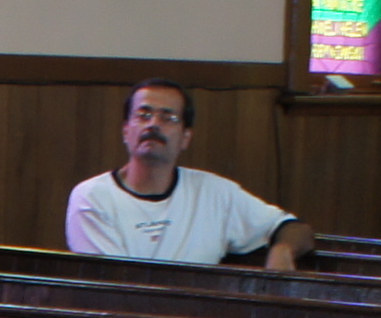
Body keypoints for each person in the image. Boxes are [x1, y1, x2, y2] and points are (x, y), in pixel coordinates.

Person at [65, 80, 313, 269]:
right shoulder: (92, 197)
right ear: (125, 131)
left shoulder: (215, 192)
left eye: (168, 117)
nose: (153, 124)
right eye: (144, 115)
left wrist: (282, 250)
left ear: (185, 138)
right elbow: (115, 286)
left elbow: (295, 229)